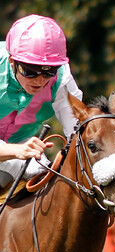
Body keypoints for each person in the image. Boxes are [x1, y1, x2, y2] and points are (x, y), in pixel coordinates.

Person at [1, 15, 83, 189]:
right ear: (11, 61)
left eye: (48, 72)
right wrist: (15, 151)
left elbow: (76, 134)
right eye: (30, 71)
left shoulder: (62, 78)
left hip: (21, 149)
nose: (39, 81)